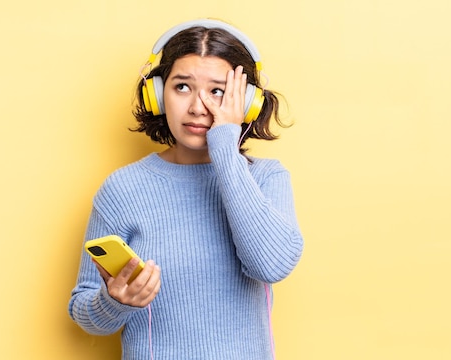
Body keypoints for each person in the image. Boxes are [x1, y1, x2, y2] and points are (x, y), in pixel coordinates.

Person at [69, 19, 303, 360]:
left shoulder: (266, 178)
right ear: (158, 94)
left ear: (247, 102)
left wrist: (224, 144)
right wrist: (114, 301)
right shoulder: (123, 188)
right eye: (182, 87)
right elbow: (84, 311)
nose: (197, 107)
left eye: (218, 91)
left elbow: (271, 266)